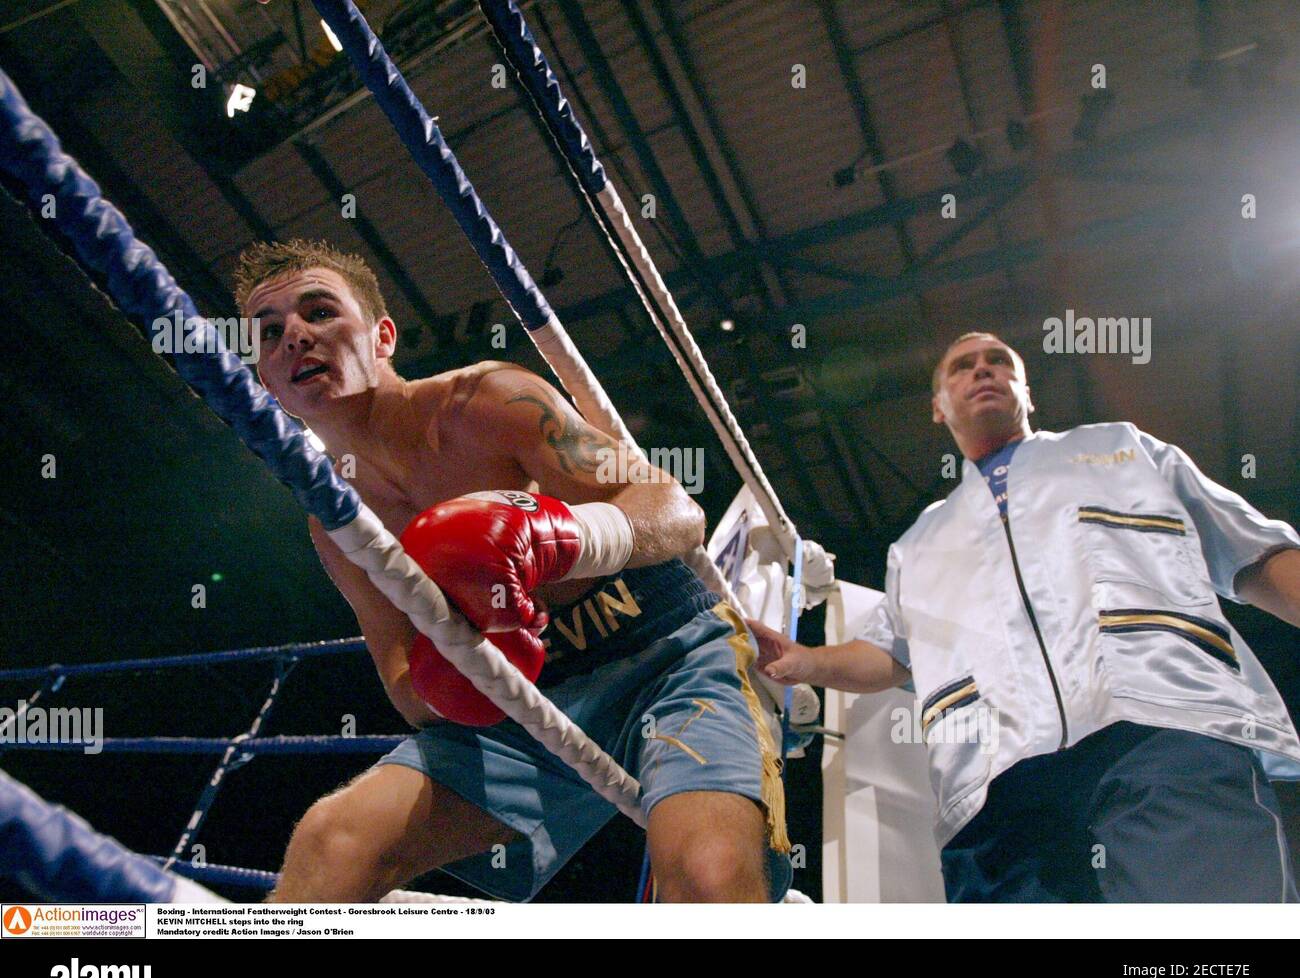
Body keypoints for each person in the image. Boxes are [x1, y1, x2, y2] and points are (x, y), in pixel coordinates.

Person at [236, 239, 790, 903]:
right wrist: (463, 667)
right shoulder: (335, 521)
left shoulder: (486, 401)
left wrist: (557, 539)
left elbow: (674, 510)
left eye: (319, 311)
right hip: (526, 707)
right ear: (265, 378)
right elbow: (403, 682)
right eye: (270, 332)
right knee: (333, 840)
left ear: (383, 335)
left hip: (670, 656)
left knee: (706, 878)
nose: (294, 335)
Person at [750, 331, 1300, 902]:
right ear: (938, 407)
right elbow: (889, 654)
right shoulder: (917, 544)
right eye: (963, 366)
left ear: (1026, 392)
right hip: (995, 785)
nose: (983, 371)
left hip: (1160, 727)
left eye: (998, 362)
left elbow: (1254, 549)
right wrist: (803, 659)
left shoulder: (1123, 451)